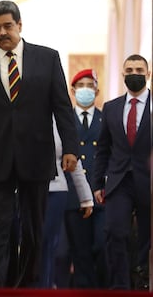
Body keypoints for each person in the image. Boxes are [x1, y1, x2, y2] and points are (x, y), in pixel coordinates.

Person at [0, 0, 78, 288]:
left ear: (19, 25)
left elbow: (62, 106)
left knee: (33, 227)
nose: (2, 32)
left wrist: (71, 148)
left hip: (36, 155)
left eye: (7, 26)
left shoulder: (47, 58)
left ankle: (27, 282)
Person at [92, 54, 151, 290]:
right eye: (129, 70)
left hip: (149, 182)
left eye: (139, 69)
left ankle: (142, 282)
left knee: (146, 238)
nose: (134, 73)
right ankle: (120, 288)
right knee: (115, 233)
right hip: (118, 182)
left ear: (148, 74)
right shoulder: (111, 108)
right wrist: (97, 183)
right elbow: (103, 149)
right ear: (123, 74)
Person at [61, 69, 107, 288]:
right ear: (73, 91)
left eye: (90, 85)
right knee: (78, 252)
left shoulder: (105, 118)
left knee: (101, 246)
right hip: (73, 195)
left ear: (97, 90)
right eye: (81, 86)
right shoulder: (64, 120)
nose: (86, 90)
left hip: (100, 194)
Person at [38, 119, 94, 288]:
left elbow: (74, 160)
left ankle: (45, 287)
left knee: (49, 244)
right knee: (34, 243)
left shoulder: (61, 120)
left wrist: (85, 197)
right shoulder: (24, 113)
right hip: (28, 189)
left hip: (56, 189)